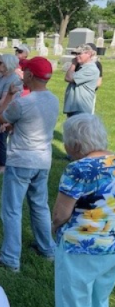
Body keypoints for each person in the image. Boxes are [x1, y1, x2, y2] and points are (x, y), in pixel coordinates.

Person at [0, 57, 58, 272]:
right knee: (39, 206)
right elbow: (29, 124)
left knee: (11, 210)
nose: (22, 74)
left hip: (21, 160)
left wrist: (9, 94)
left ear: (30, 75)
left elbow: (1, 117)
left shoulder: (22, 102)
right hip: (43, 159)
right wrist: (14, 128)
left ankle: (10, 258)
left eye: (24, 71)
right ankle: (48, 249)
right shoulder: (54, 99)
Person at [52, 114, 115, 307]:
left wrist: (54, 226)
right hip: (111, 245)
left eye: (67, 142)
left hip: (79, 247)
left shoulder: (78, 168)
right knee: (100, 299)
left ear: (77, 145)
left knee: (73, 301)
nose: (65, 147)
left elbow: (60, 214)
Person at [63, 44, 99, 117]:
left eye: (79, 53)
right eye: (75, 54)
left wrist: (73, 64)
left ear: (88, 54)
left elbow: (68, 78)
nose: (76, 56)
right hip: (74, 107)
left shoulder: (91, 69)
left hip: (81, 108)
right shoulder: (82, 67)